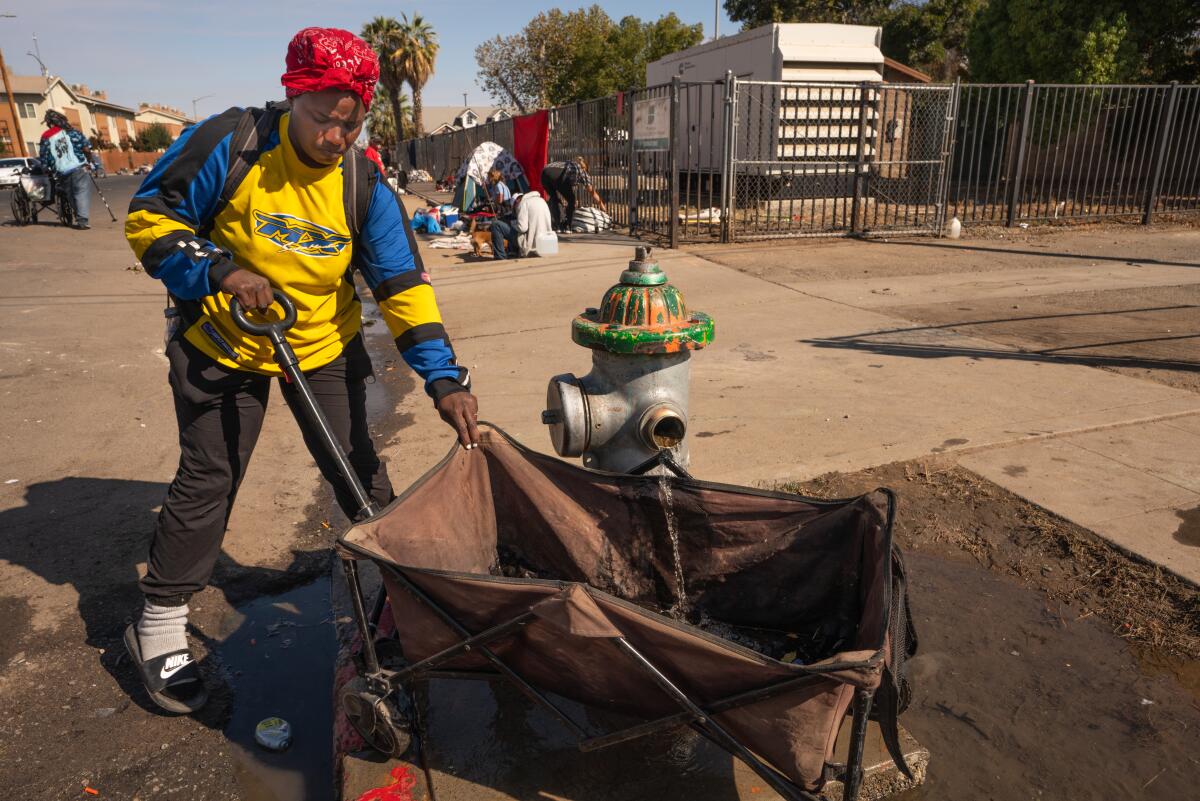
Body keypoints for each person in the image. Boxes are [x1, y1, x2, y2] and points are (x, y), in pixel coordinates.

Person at [123, 26, 480, 714]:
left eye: (350, 123)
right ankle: (160, 623)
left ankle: (394, 597)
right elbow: (149, 217)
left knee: (360, 469)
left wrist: (442, 377)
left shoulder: (361, 178)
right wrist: (221, 270)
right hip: (223, 336)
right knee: (211, 474)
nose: (334, 136)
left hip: (319, 341)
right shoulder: (232, 143)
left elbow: (401, 282)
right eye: (322, 118)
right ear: (294, 97)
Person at [39, 110, 93, 229]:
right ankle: (82, 219)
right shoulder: (73, 132)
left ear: (50, 122)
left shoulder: (46, 136)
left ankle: (80, 218)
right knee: (81, 193)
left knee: (71, 194)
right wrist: (89, 162)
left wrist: (46, 168)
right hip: (80, 167)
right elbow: (87, 149)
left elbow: (44, 156)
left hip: (62, 172)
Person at [540, 155, 606, 233]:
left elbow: (562, 182)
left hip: (544, 173)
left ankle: (558, 226)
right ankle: (568, 226)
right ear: (586, 168)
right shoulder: (582, 171)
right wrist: (602, 205)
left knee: (554, 198)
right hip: (559, 175)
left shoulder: (569, 164)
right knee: (571, 201)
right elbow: (592, 192)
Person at [491, 191, 553, 260]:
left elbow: (522, 228)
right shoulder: (541, 200)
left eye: (515, 208)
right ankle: (513, 253)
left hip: (531, 244)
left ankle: (500, 257)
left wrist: (513, 224)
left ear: (517, 201)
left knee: (496, 225)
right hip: (547, 243)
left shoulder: (523, 203)